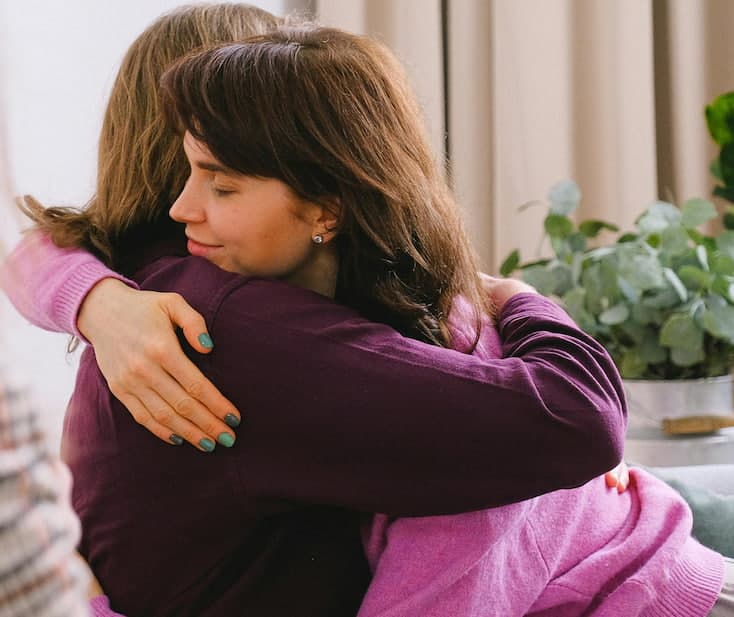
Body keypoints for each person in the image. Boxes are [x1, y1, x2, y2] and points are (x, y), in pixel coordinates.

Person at [1, 9, 628, 617]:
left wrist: (93, 299)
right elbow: (574, 418)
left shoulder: (149, 279)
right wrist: (520, 297)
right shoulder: (232, 318)